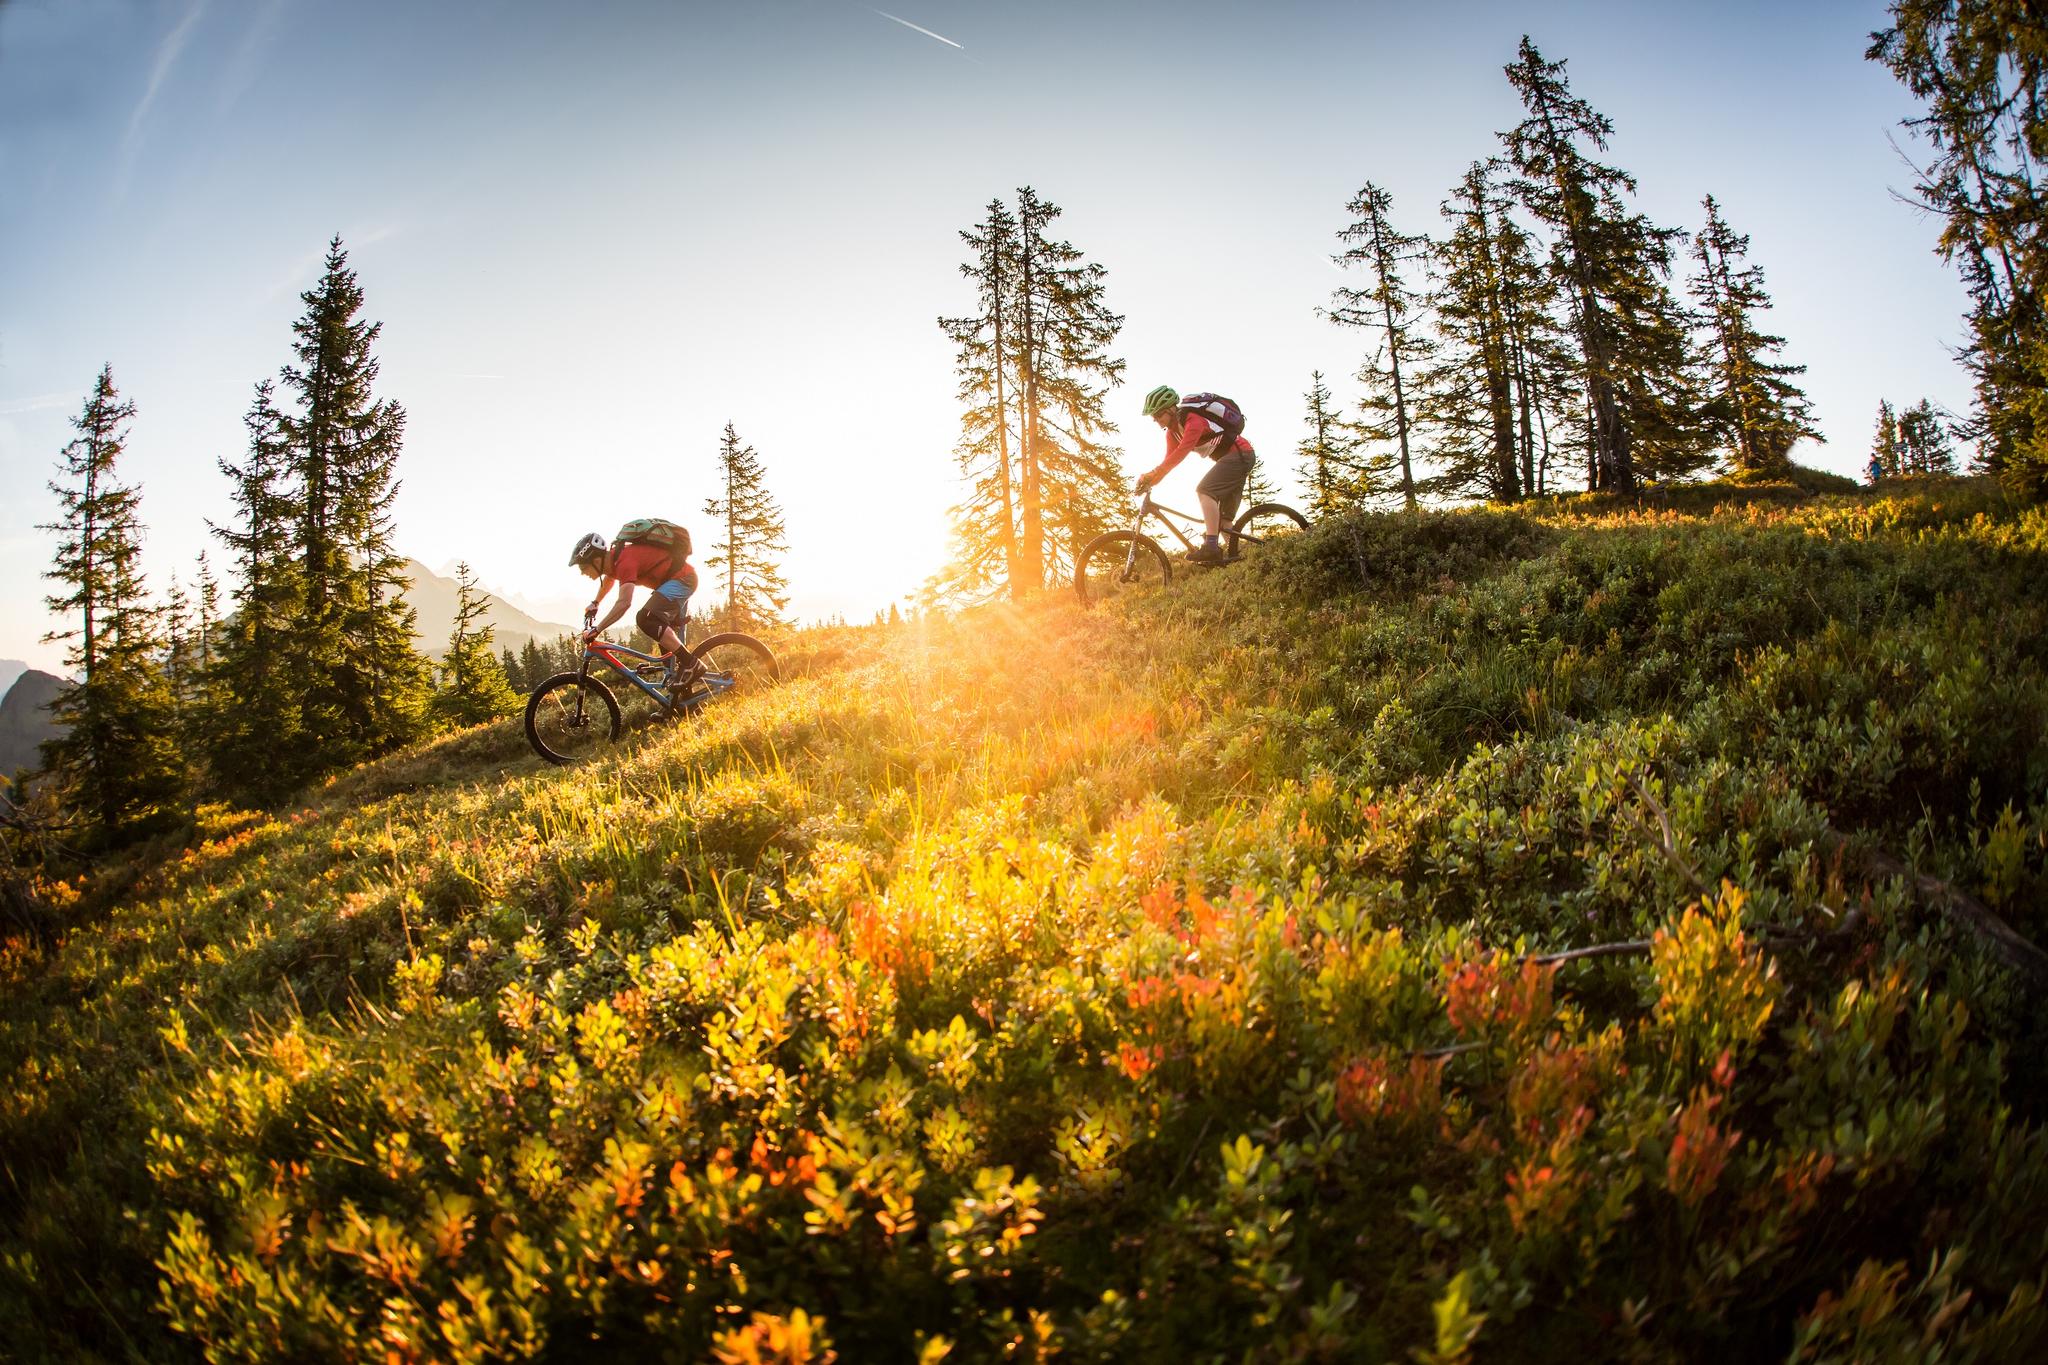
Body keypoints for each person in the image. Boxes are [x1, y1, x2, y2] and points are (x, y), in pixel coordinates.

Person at [1135, 386, 1256, 564]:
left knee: (1204, 490)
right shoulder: (1172, 434)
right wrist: (1149, 481)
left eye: (1158, 414)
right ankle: (1242, 561)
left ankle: (1211, 547)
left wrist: (1152, 474)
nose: (1156, 420)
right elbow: (1168, 462)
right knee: (1223, 521)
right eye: (1153, 417)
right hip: (1233, 459)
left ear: (1170, 409)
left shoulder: (1192, 419)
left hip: (1240, 455)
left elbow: (1182, 452)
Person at [568, 526, 698, 681]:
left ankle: (692, 664)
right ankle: (682, 695)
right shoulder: (614, 560)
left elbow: (624, 603)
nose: (582, 572)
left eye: (583, 567)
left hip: (684, 580)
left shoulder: (625, 561)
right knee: (665, 647)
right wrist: (596, 603)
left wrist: (597, 630)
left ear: (596, 561)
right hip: (672, 582)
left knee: (646, 618)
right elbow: (610, 578)